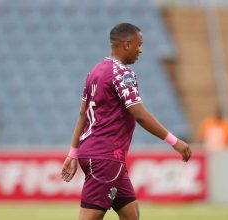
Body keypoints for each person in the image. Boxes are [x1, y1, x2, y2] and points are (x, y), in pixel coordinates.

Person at [60, 23, 191, 220]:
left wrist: (73, 152)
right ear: (127, 44)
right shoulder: (122, 73)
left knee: (131, 213)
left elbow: (82, 115)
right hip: (105, 156)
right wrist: (174, 141)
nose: (141, 50)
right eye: (139, 44)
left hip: (99, 153)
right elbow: (138, 114)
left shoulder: (95, 72)